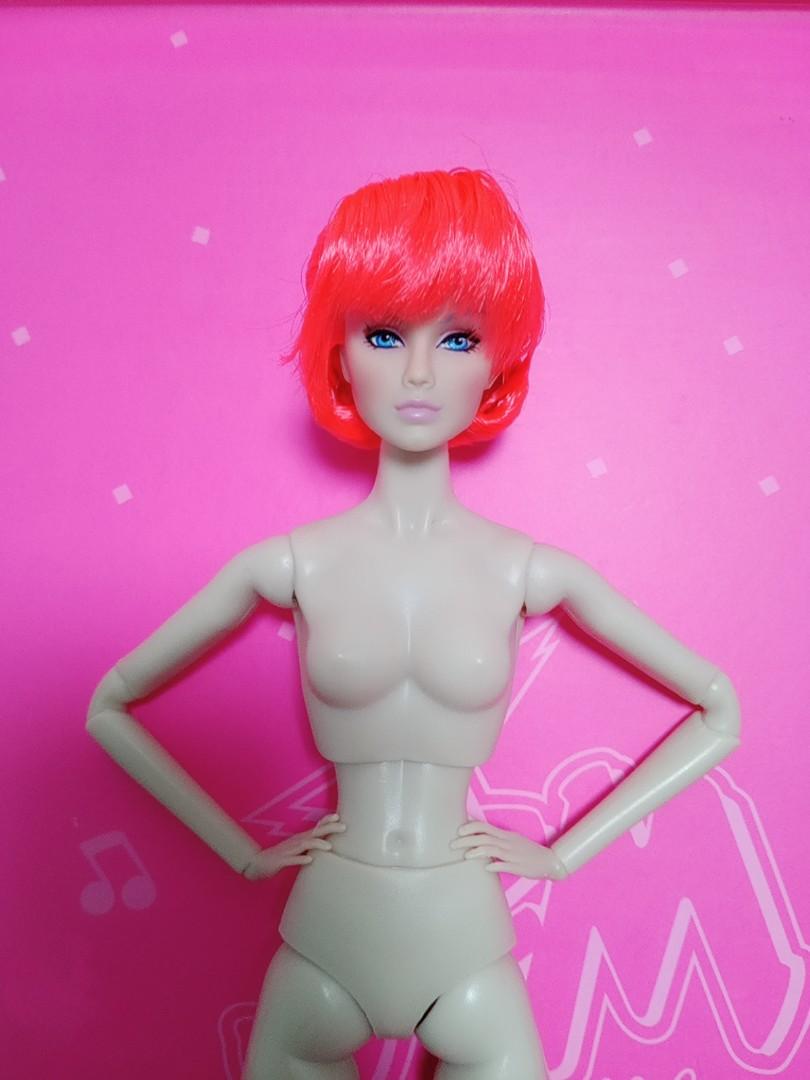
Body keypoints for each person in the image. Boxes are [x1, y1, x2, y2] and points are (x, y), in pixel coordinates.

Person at [86, 168, 741, 1079]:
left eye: (458, 337)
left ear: (498, 360)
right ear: (341, 352)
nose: (421, 372)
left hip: (464, 941)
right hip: (327, 937)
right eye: (386, 335)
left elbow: (719, 707)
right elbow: (110, 705)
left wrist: (562, 855)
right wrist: (243, 851)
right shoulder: (292, 564)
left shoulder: (527, 570)